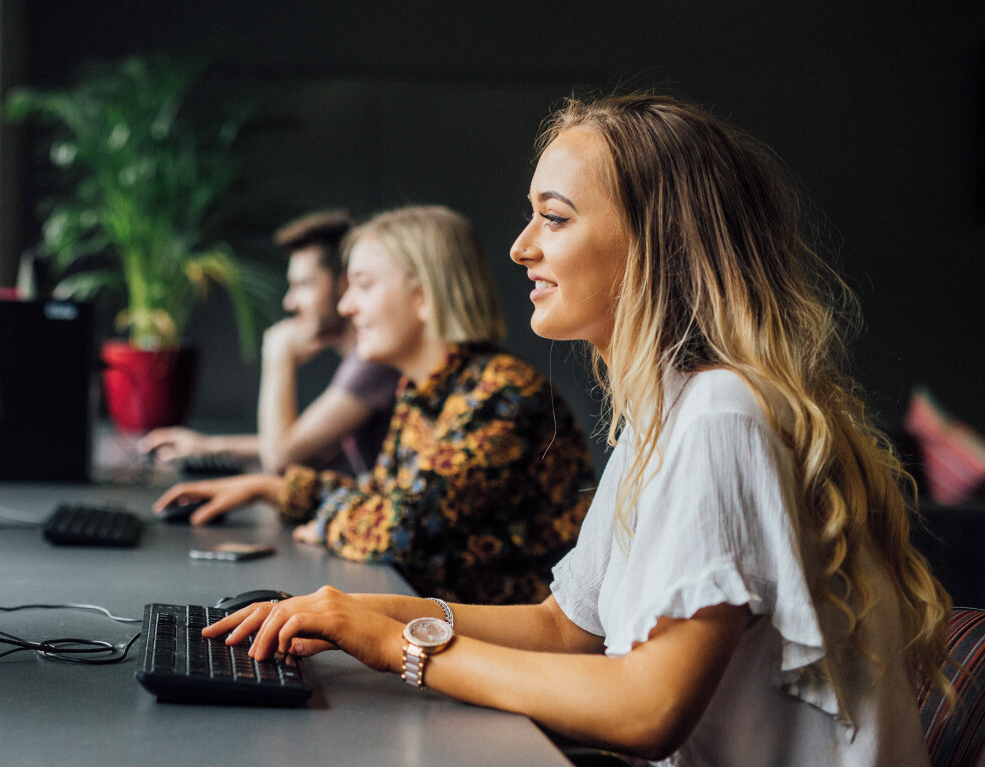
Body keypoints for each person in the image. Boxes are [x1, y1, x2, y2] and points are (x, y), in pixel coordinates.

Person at [204, 94, 951, 765]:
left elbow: (647, 709)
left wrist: (404, 648)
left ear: (661, 242)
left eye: (554, 217)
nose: (521, 246)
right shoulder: (663, 414)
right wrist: (358, 613)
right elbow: (566, 627)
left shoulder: (722, 412)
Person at [155, 205, 596, 606]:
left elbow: (402, 530)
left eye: (362, 286)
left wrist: (326, 522)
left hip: (513, 655)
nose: (347, 307)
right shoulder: (421, 389)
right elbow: (383, 498)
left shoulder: (503, 394)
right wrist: (270, 489)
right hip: (445, 628)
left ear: (423, 297)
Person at [140, 210, 400, 475]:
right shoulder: (362, 360)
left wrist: (279, 357)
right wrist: (210, 446)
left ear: (344, 285)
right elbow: (310, 446)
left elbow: (280, 457)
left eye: (304, 285)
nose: (289, 302)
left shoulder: (374, 362)